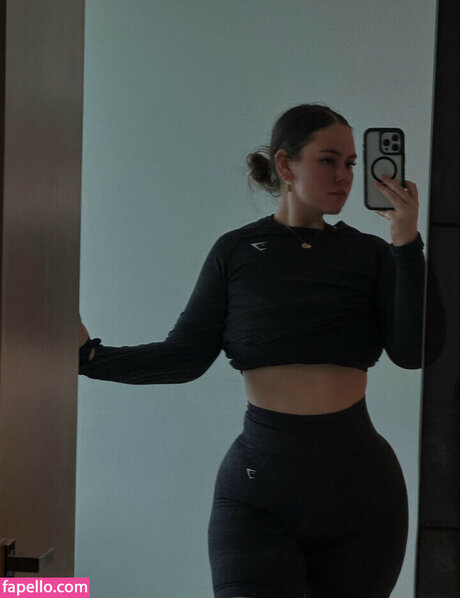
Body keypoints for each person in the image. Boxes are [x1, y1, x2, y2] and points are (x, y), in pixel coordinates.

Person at [79, 103, 445, 598]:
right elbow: (184, 357)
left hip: (363, 495)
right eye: (328, 160)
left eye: (351, 164)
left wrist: (406, 243)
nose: (343, 176)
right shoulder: (236, 251)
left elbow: (415, 352)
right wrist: (88, 358)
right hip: (259, 495)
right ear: (286, 165)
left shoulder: (373, 254)